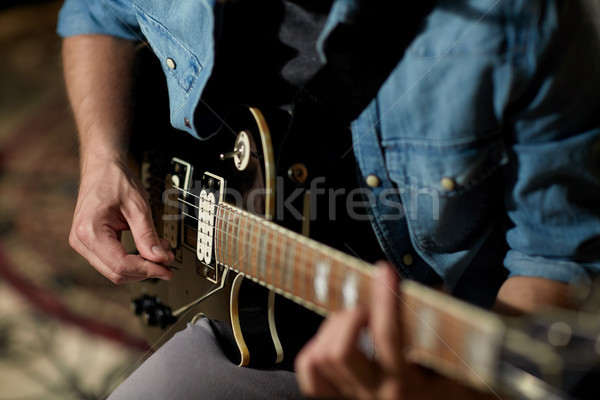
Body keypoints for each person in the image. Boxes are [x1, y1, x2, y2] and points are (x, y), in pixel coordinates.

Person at [57, 0, 600, 398]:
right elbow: (94, 13)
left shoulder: (517, 18)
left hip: (435, 354)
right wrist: (102, 155)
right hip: (242, 323)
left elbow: (555, 257)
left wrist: (465, 389)